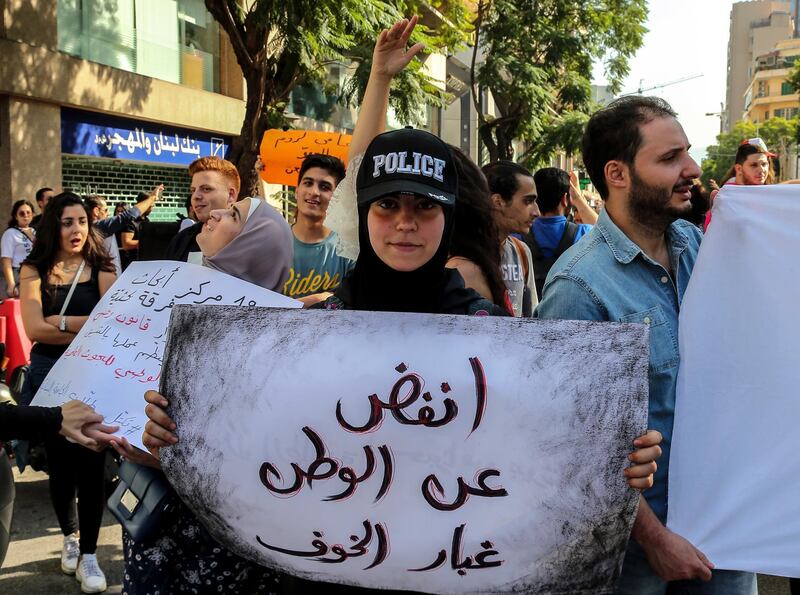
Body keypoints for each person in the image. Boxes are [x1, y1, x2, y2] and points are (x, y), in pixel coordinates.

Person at [535, 96, 756, 595]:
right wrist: (655, 540)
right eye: (669, 158)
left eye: (688, 153)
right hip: (637, 557)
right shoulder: (579, 287)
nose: (693, 169)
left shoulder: (697, 245)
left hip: (724, 524)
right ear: (617, 173)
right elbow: (577, 446)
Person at [96, 196, 292, 595]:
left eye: (233, 214)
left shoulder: (277, 345)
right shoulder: (173, 296)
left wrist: (163, 457)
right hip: (154, 521)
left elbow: (257, 458)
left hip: (222, 540)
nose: (214, 212)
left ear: (251, 246)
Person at [324, 16, 509, 311]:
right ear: (361, 211)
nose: (405, 223)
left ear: (448, 215)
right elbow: (360, 169)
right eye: (387, 204)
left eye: (425, 205)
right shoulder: (316, 327)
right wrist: (380, 77)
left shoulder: (485, 327)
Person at [19, 191, 117, 593]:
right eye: (66, 222)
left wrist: (59, 320)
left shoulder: (103, 266)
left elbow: (112, 324)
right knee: (59, 466)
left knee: (92, 464)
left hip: (92, 373)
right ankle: (70, 538)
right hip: (47, 375)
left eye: (81, 221)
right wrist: (82, 323)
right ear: (52, 225)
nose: (76, 229)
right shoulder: (33, 268)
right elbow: (33, 330)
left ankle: (91, 554)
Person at [283, 154, 355, 303]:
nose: (314, 192)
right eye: (308, 183)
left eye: (324, 187)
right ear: (297, 191)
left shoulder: (349, 250)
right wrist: (317, 299)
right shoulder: (273, 244)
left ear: (338, 198)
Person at [526, 167, 596, 297]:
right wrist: (578, 199)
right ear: (565, 199)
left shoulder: (518, 237)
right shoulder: (582, 233)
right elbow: (605, 233)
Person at [482, 161, 539, 316]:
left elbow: (531, 316)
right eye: (528, 201)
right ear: (497, 202)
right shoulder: (461, 257)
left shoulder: (521, 252)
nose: (536, 212)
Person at [165, 157, 238, 263]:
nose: (195, 196)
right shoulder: (181, 240)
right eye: (193, 190)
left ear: (230, 195)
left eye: (206, 189)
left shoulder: (249, 240)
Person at [1, 200, 35, 298]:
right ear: (16, 216)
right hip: (19, 274)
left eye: (28, 212)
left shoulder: (35, 231)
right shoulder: (10, 233)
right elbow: (6, 260)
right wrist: (11, 284)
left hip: (35, 272)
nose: (26, 215)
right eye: (21, 213)